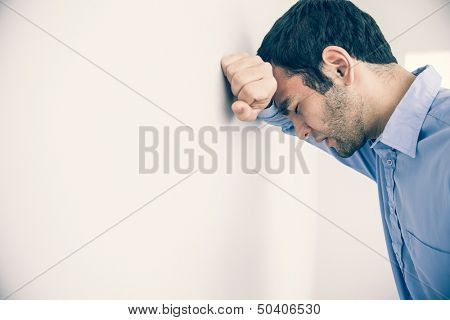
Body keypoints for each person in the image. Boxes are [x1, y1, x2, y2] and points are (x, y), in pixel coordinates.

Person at [221, 0, 450, 299]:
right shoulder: (382, 143)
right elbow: (288, 123)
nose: (301, 131)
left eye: (298, 108)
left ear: (340, 68)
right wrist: (263, 96)